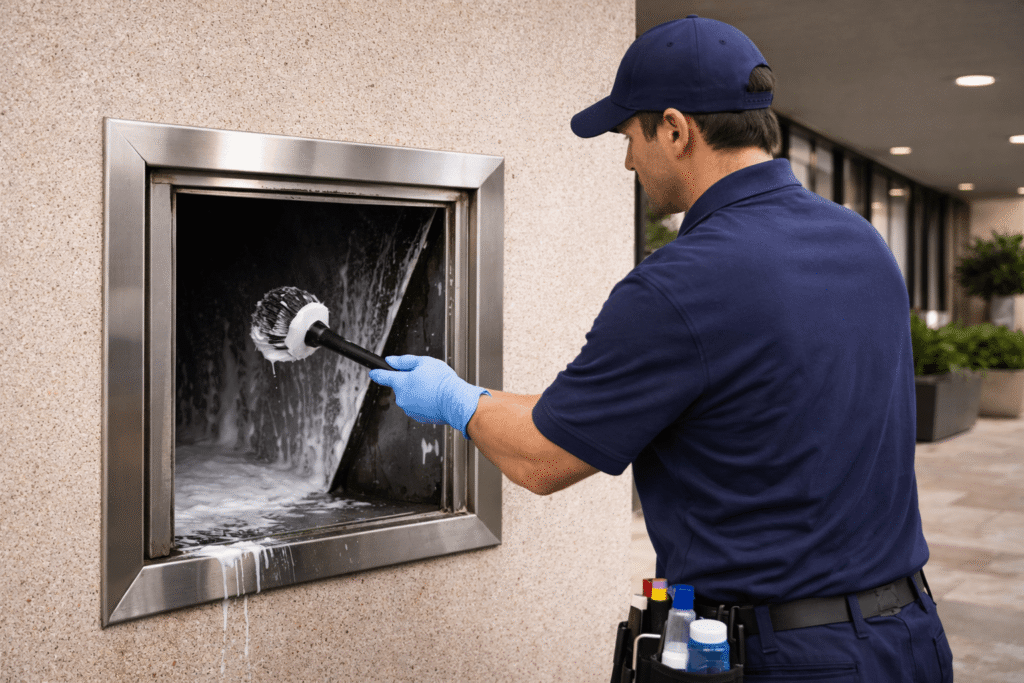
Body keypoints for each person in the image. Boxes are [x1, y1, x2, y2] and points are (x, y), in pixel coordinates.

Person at [369, 15, 953, 682]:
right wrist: (488, 397)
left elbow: (542, 457)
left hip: (785, 658)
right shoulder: (862, 245)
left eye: (629, 136)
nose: (626, 161)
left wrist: (454, 399)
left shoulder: (681, 284)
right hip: (908, 638)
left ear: (676, 129)